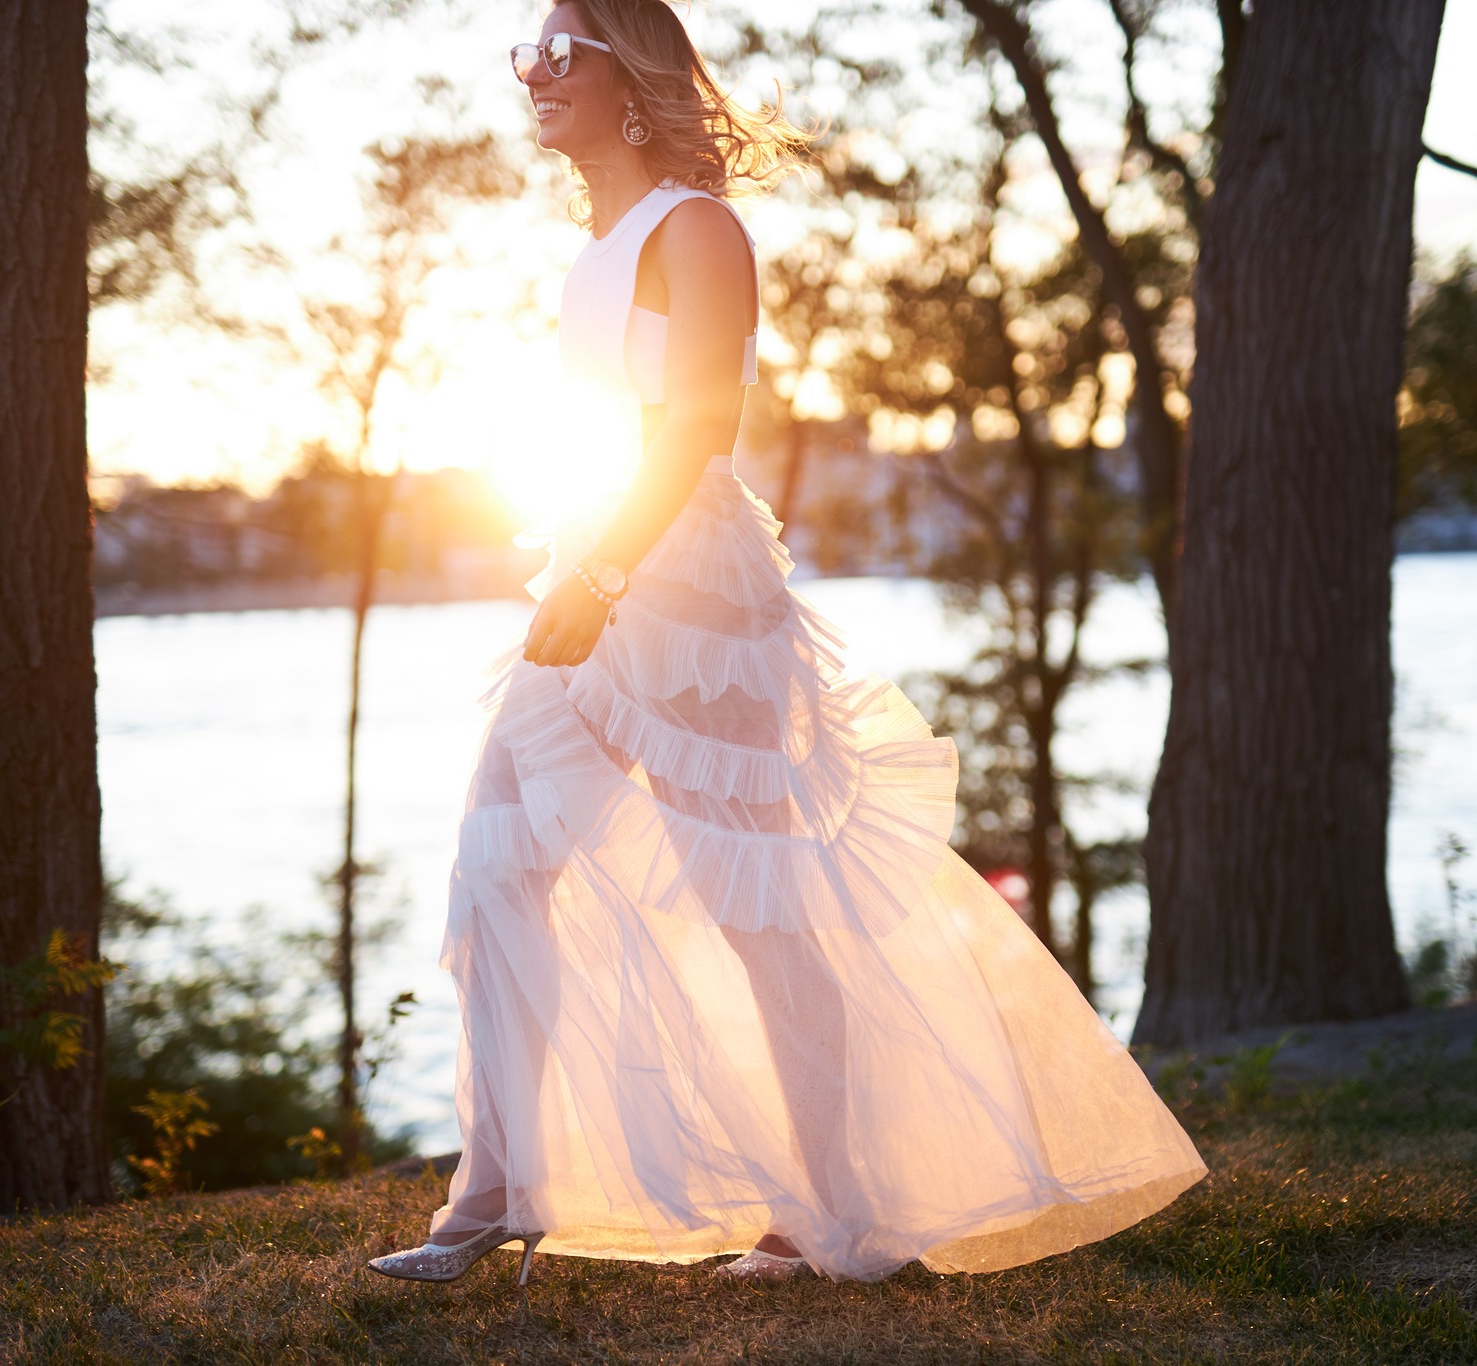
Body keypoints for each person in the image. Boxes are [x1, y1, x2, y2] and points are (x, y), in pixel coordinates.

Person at [368, 0, 1204, 1289]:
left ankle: (829, 1214)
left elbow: (698, 427)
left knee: (756, 905)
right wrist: (576, 565)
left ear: (632, 74)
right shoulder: (597, 238)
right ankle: (496, 1189)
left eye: (559, 49)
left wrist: (601, 574)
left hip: (681, 586)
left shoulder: (696, 229)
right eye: (523, 49)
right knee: (500, 862)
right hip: (590, 563)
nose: (533, 71)